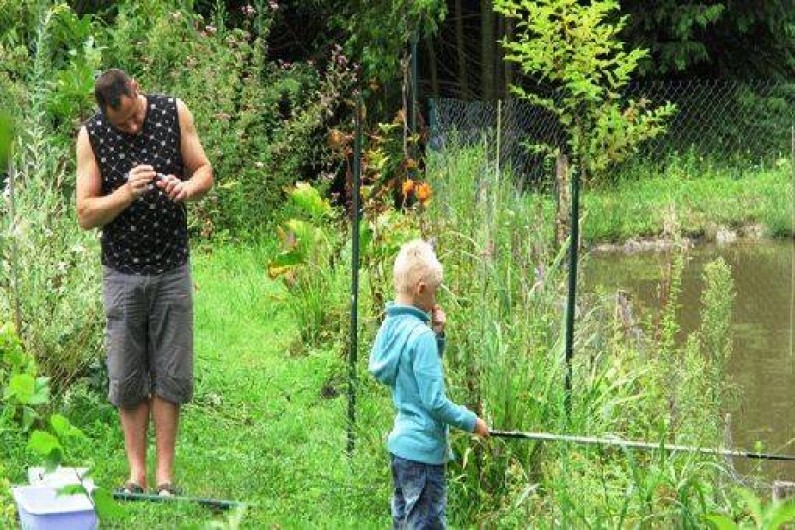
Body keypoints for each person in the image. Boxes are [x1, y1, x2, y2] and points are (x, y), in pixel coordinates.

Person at [76, 69, 213, 496]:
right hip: (122, 272)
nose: (132, 127)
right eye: (123, 124)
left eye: (134, 116)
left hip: (172, 266)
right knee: (128, 372)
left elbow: (205, 170)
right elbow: (84, 213)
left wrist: (187, 188)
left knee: (170, 370)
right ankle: (136, 475)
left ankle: (165, 478)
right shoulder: (92, 135)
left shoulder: (174, 112)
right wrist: (124, 193)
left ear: (136, 88)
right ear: (105, 115)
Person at [369, 239, 489, 529]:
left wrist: (436, 334)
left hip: (401, 448)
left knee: (404, 520)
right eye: (434, 293)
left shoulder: (391, 325)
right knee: (426, 524)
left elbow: (411, 371)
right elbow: (434, 401)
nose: (435, 301)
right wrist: (472, 422)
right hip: (423, 452)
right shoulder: (419, 336)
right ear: (421, 288)